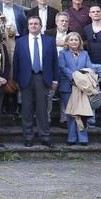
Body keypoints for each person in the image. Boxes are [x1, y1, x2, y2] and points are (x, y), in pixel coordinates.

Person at [13, 16, 59, 147]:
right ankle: (28, 136)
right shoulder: (20, 42)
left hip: (43, 78)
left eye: (36, 24)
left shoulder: (49, 41)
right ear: (28, 26)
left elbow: (55, 61)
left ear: (41, 26)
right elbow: (15, 62)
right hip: (25, 79)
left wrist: (55, 79)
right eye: (31, 24)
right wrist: (15, 80)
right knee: (26, 110)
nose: (33, 26)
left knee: (42, 110)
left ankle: (45, 136)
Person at [59, 32, 93, 146]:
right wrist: (75, 77)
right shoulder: (63, 53)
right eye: (71, 40)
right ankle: (72, 137)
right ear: (67, 42)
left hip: (82, 88)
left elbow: (89, 68)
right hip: (68, 86)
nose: (74, 42)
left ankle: (83, 137)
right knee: (71, 113)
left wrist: (81, 79)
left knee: (82, 113)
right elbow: (62, 68)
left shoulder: (85, 54)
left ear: (80, 42)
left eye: (76, 40)